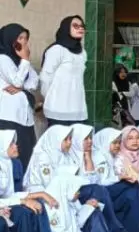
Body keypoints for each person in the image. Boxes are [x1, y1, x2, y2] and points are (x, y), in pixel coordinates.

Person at [0, 24, 38, 167]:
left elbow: (34, 82)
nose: (23, 43)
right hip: (9, 116)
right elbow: (17, 81)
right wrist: (25, 60)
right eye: (20, 38)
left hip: (25, 117)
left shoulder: (22, 62)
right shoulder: (3, 58)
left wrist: (21, 88)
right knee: (12, 158)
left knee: (27, 155)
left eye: (26, 39)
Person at [39, 15, 87, 127]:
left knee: (78, 143)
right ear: (66, 28)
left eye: (82, 26)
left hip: (78, 109)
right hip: (57, 110)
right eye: (75, 26)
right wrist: (50, 97)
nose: (80, 28)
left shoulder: (82, 52)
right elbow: (45, 78)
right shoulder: (56, 50)